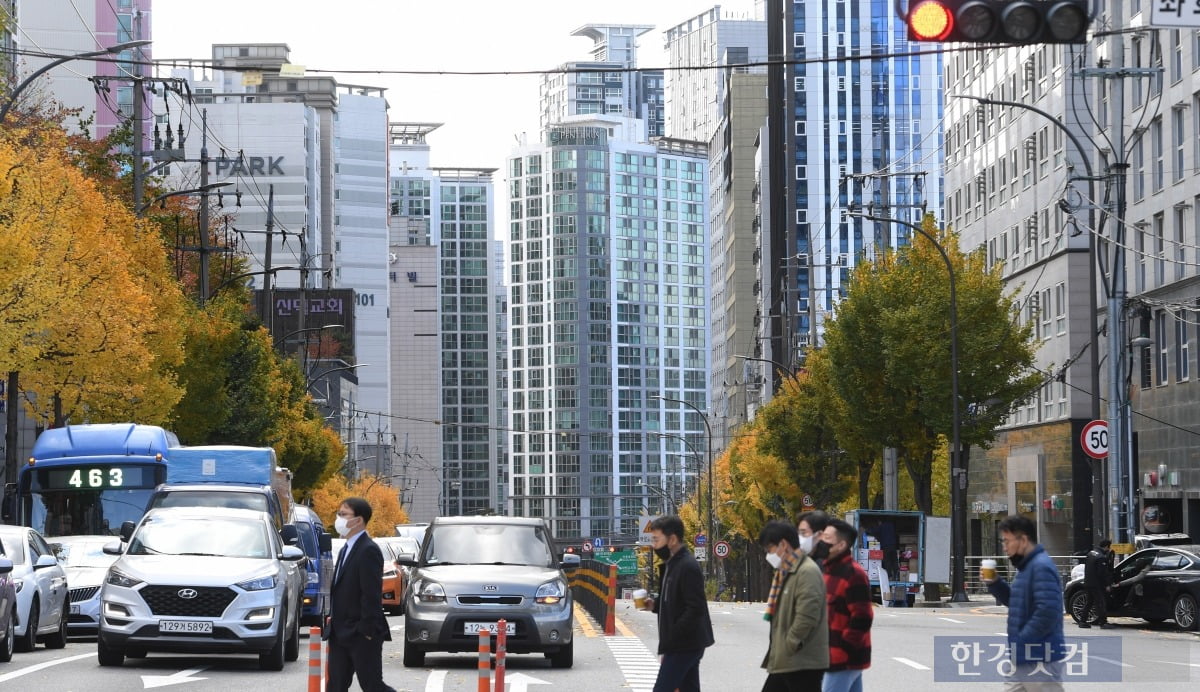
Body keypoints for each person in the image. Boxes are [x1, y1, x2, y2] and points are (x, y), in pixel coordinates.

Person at [984, 515, 1065, 691]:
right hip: (1022, 656)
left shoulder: (1040, 566)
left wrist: (1022, 641)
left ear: (1023, 540)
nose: (1004, 547)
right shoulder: (1026, 567)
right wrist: (996, 583)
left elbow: (1048, 611)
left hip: (1039, 657)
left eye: (1007, 541)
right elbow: (1017, 603)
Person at [326, 497, 395, 692]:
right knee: (336, 686)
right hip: (339, 632)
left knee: (372, 686)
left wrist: (366, 630)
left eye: (344, 515)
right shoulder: (345, 549)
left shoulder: (368, 550)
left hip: (361, 633)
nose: (338, 519)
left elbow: (371, 594)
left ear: (358, 520)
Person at [640, 515, 714, 692]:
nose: (654, 545)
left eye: (657, 539)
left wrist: (673, 637)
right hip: (684, 642)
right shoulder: (672, 564)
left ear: (672, 539)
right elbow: (673, 600)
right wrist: (654, 605)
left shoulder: (687, 566)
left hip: (684, 643)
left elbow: (695, 608)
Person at [757, 520, 829, 691]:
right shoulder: (785, 571)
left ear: (783, 545)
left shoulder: (806, 571)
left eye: (770, 549)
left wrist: (790, 643)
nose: (769, 555)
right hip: (788, 659)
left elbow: (807, 615)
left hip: (803, 660)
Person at [820, 518, 873, 692]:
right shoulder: (828, 571)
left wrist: (844, 647)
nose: (821, 541)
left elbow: (863, 617)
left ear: (841, 545)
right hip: (831, 655)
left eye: (827, 538)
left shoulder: (853, 574)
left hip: (844, 658)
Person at [1079, 539, 1114, 629]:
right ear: (1106, 546)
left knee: (1089, 602)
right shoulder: (1101, 557)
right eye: (1109, 547)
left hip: (1088, 582)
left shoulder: (1091, 553)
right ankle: (1103, 623)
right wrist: (1107, 585)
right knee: (1100, 603)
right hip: (1096, 584)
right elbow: (1101, 573)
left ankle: (1082, 621)